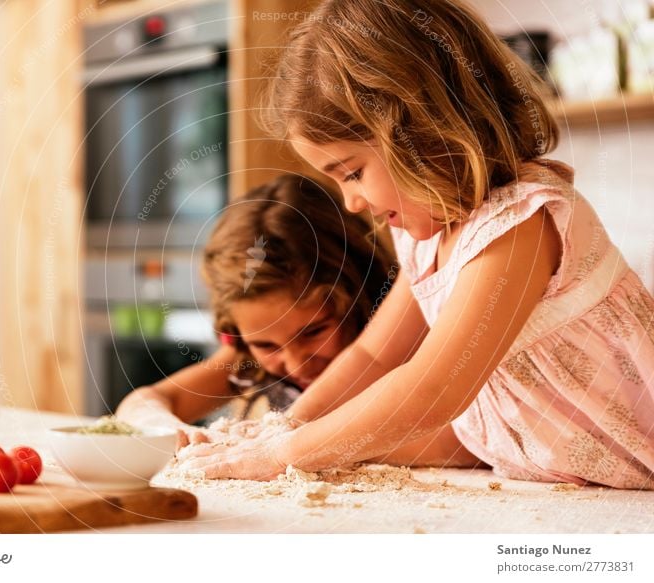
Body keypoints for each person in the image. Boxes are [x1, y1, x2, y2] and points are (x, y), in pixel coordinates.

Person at [180, 0, 654, 489]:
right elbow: (374, 358)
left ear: (421, 132)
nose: (351, 202)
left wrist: (279, 455)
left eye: (353, 173)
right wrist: (282, 428)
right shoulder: (425, 237)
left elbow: (434, 387)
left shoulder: (518, 227)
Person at [115, 174, 480, 466]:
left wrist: (298, 446)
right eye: (266, 344)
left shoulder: (409, 334)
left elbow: (472, 443)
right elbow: (146, 401)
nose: (294, 362)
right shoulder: (247, 360)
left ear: (357, 292)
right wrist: (161, 427)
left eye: (315, 331)